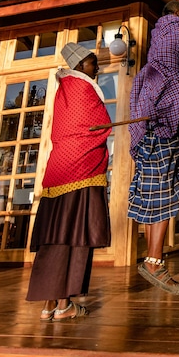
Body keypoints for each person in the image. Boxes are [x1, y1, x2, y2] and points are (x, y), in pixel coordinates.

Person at [26, 42, 112, 321]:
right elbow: (97, 125)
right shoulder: (82, 87)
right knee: (75, 236)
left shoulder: (64, 90)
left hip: (59, 169)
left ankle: (50, 304)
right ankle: (63, 304)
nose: (96, 67)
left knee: (55, 236)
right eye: (91, 62)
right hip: (81, 170)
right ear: (78, 66)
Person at [127, 0, 179, 294]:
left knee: (154, 190)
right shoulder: (178, 32)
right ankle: (154, 262)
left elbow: (168, 79)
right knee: (163, 189)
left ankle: (152, 258)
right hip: (162, 128)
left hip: (152, 127)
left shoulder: (159, 38)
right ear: (177, 14)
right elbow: (175, 83)